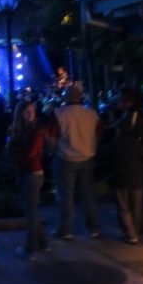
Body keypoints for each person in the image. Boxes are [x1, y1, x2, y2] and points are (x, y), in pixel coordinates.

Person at [48, 83, 101, 240]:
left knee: (65, 195)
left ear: (65, 97)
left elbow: (51, 138)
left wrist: (53, 153)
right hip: (87, 158)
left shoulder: (58, 114)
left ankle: (66, 229)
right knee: (88, 195)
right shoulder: (92, 114)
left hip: (65, 158)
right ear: (80, 97)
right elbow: (99, 135)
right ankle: (93, 228)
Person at [110, 88, 143, 244]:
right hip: (137, 168)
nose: (118, 103)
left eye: (121, 100)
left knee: (124, 204)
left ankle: (131, 231)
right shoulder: (142, 118)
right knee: (138, 200)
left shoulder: (129, 122)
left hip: (125, 170)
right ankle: (138, 227)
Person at [9, 100, 48, 259]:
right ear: (20, 113)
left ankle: (31, 247)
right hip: (26, 171)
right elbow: (16, 150)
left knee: (30, 209)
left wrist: (14, 150)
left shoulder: (37, 131)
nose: (30, 114)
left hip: (33, 172)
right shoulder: (22, 130)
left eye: (32, 110)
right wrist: (16, 150)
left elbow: (29, 153)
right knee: (29, 209)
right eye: (27, 111)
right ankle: (42, 242)